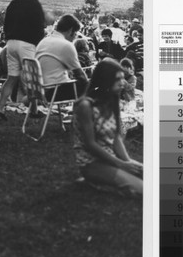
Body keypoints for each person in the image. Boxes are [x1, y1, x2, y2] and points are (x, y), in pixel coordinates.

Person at [72, 58, 143, 197]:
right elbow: (90, 144)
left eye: (123, 78)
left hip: (111, 159)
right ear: (105, 80)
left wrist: (127, 162)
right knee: (143, 189)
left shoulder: (112, 98)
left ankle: (102, 181)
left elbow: (116, 137)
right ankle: (94, 181)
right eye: (118, 79)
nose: (123, 83)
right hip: (92, 163)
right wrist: (121, 165)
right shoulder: (86, 106)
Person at [0, 0, 45, 121]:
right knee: (32, 77)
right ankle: (34, 110)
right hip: (27, 44)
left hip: (11, 43)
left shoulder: (14, 3)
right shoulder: (35, 4)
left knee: (11, 78)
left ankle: (0, 109)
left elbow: (6, 23)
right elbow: (39, 26)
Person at [35, 14, 89, 101]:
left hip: (41, 89)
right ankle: (86, 109)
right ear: (71, 30)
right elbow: (81, 76)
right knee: (89, 84)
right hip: (55, 91)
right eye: (75, 33)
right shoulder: (66, 45)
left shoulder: (43, 41)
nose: (74, 37)